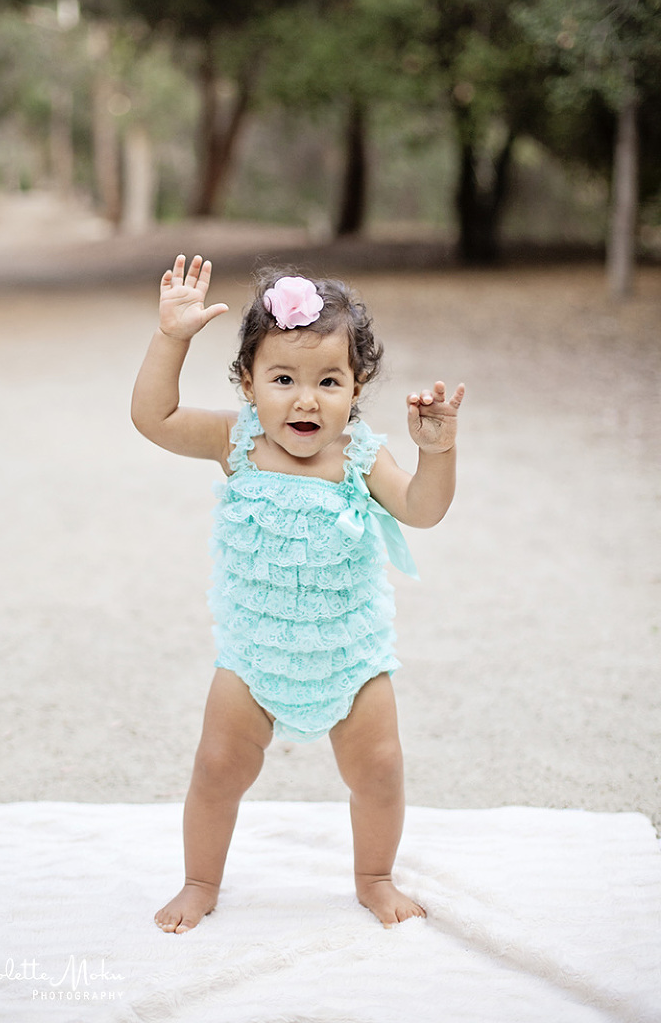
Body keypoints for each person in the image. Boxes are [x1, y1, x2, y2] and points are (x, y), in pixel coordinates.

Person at [131, 253, 464, 934]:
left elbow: (422, 510)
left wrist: (436, 454)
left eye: (328, 380)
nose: (305, 399)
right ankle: (200, 880)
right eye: (283, 378)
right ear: (249, 384)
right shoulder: (237, 440)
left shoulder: (363, 457)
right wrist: (172, 337)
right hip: (253, 659)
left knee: (380, 770)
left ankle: (374, 876)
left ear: (357, 385)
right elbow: (153, 417)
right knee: (217, 768)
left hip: (350, 656)